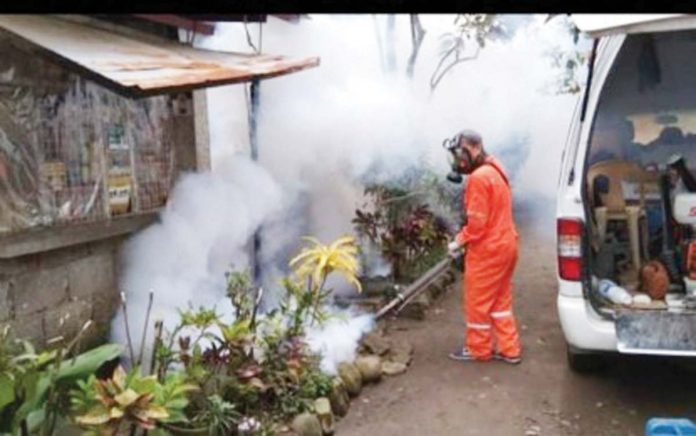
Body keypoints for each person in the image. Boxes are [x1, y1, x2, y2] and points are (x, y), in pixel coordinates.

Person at [445, 129, 522, 364]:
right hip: (507, 245)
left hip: (488, 250)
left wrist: (458, 241)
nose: (459, 160)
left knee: (477, 302)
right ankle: (510, 349)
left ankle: (478, 349)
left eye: (461, 153)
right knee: (500, 301)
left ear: (475, 148)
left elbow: (477, 225)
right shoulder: (496, 170)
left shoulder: (479, 178)